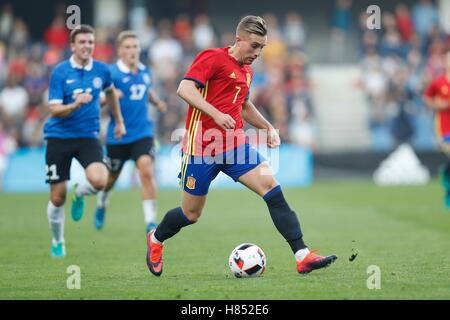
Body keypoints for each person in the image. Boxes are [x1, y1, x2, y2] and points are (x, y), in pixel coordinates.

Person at [145, 16, 337, 276]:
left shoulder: (247, 71)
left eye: (262, 48)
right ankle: (156, 239)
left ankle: (302, 255)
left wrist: (268, 127)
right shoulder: (211, 58)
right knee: (191, 214)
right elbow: (184, 89)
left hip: (235, 145)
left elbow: (244, 105)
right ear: (239, 40)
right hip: (201, 149)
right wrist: (215, 113)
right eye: (254, 46)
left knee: (271, 187)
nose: (257, 53)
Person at [44, 25, 126, 258]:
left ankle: (79, 193)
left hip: (87, 137)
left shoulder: (102, 70)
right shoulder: (60, 72)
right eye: (82, 42)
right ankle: (58, 240)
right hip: (58, 138)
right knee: (57, 197)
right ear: (72, 46)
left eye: (90, 42)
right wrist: (75, 104)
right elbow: (54, 110)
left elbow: (110, 93)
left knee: (100, 180)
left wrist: (119, 121)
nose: (87, 46)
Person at [94, 31, 167, 232]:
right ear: (120, 51)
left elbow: (145, 90)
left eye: (135, 46)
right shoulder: (111, 73)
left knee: (146, 170)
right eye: (127, 47)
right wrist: (110, 97)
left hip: (143, 132)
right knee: (110, 179)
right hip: (118, 136)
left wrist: (157, 102)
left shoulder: (145, 71)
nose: (132, 50)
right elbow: (97, 101)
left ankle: (150, 222)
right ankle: (102, 202)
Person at [423, 51, 450, 207]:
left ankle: (445, 173)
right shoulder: (438, 83)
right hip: (445, 129)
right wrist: (437, 105)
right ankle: (447, 184)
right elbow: (426, 99)